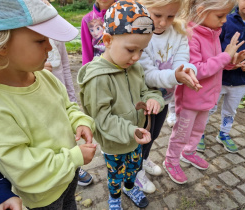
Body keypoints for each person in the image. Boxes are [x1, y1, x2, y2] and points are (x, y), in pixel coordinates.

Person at [0, 0, 96, 209]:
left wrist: (79, 121)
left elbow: (66, 106)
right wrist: (74, 157)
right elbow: (25, 169)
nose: (50, 47)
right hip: (43, 196)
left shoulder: (43, 76)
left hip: (67, 175)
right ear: (1, 46)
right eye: (41, 40)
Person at [77, 0, 165, 209]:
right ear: (107, 40)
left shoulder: (133, 67)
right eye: (131, 49)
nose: (136, 57)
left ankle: (130, 186)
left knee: (133, 168)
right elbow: (102, 119)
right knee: (115, 174)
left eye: (142, 50)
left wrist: (154, 99)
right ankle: (114, 198)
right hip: (114, 142)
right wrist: (131, 130)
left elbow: (146, 91)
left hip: (135, 139)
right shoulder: (98, 78)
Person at [163, 0, 245, 184]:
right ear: (202, 11)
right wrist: (224, 57)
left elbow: (214, 63)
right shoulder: (190, 36)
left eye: (226, 15)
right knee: (182, 133)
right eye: (220, 16)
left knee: (198, 130)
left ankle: (188, 153)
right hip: (190, 99)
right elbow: (196, 69)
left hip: (207, 97)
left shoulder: (212, 32)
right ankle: (171, 161)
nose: (225, 21)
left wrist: (230, 62)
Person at [136, 0, 201, 193]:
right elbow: (147, 73)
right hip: (142, 100)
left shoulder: (178, 32)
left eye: (170, 16)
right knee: (141, 135)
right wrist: (175, 76)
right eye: (157, 15)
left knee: (154, 133)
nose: (164, 23)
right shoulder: (139, 34)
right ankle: (135, 171)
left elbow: (182, 60)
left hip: (164, 99)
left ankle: (144, 159)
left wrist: (189, 71)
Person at [198, 0, 245, 153]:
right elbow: (212, 46)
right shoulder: (224, 20)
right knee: (209, 108)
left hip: (241, 80)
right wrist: (226, 58)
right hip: (219, 77)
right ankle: (199, 133)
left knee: (230, 110)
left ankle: (224, 134)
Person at [44, 39, 94, 186]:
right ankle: (68, 165)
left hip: (61, 102)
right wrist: (75, 157)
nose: (47, 47)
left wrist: (77, 115)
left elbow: (65, 67)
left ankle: (74, 169)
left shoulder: (56, 38)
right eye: (40, 41)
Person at [81, 0, 116, 65]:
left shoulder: (126, 15)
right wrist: (87, 72)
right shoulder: (87, 20)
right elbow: (87, 51)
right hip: (99, 68)